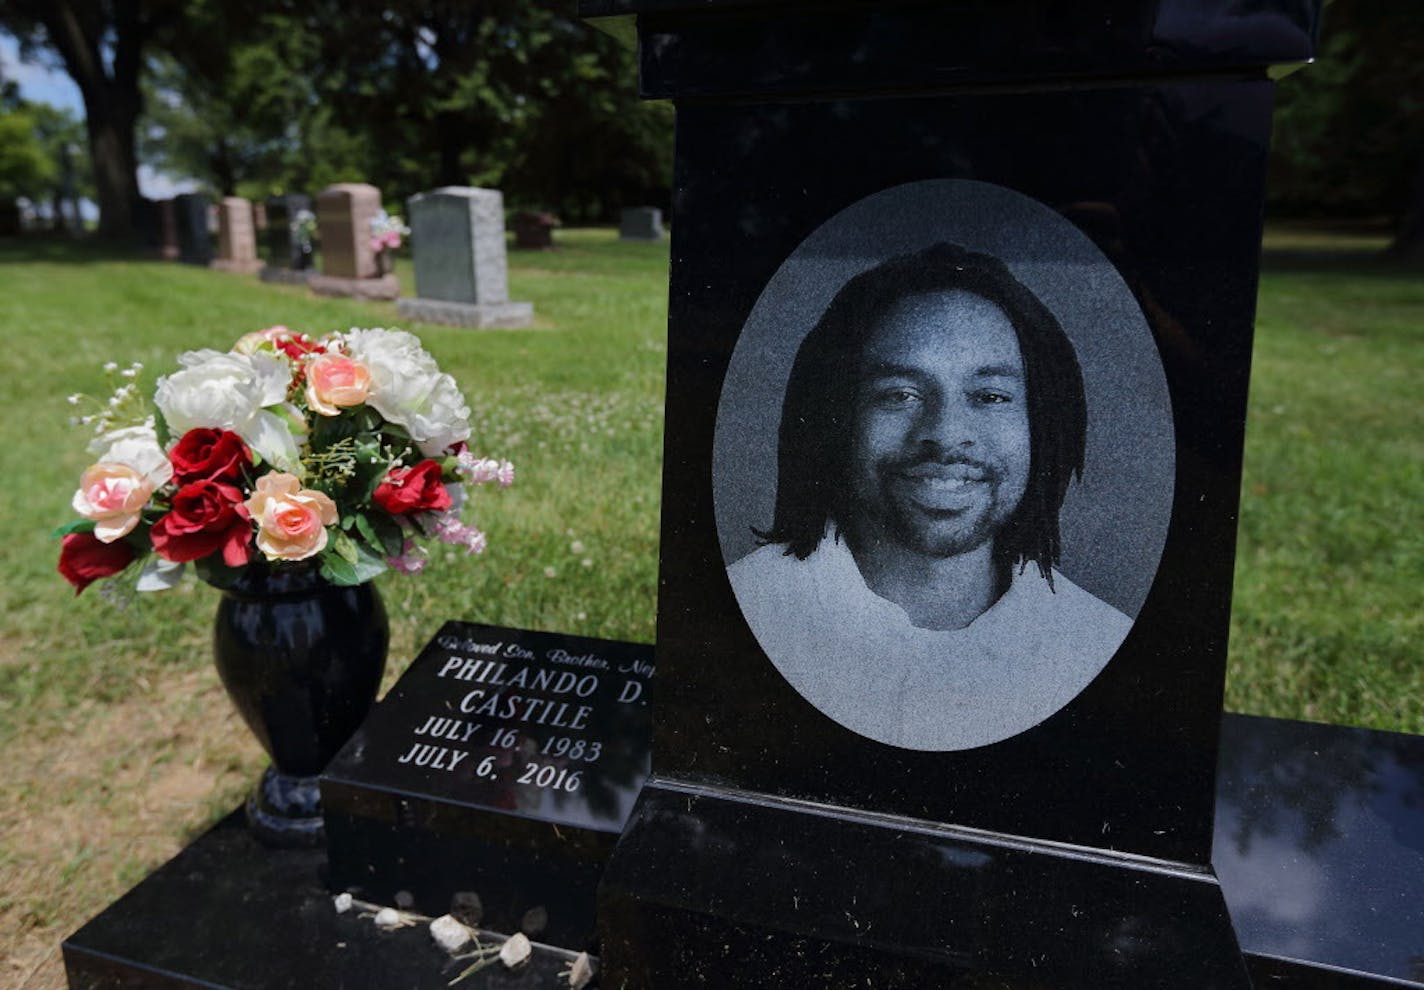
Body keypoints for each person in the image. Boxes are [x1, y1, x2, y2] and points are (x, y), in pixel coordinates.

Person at [727, 242, 1131, 750]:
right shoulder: (741, 613)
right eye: (900, 394)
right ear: (837, 416)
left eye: (990, 397)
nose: (944, 434)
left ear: (1042, 426)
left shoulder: (1099, 645)